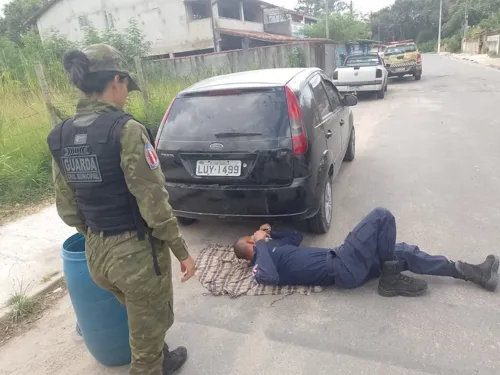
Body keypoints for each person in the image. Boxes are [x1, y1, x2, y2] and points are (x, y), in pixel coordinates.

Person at [47, 44, 195, 375]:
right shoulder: (126, 130)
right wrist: (181, 250)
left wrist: (97, 234)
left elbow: (67, 208)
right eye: (126, 84)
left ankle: (163, 356)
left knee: (144, 317)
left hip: (97, 255)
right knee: (146, 343)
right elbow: (154, 202)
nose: (126, 92)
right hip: (136, 257)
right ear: (116, 79)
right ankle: (153, 362)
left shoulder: (60, 134)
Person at [233, 208, 499, 296]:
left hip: (347, 266)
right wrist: (263, 244)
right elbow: (267, 276)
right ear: (251, 246)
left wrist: (272, 231)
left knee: (401, 252)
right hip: (341, 265)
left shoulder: (275, 247)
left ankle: (473, 273)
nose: (263, 236)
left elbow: (296, 237)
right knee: (381, 216)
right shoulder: (261, 263)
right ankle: (391, 278)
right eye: (256, 237)